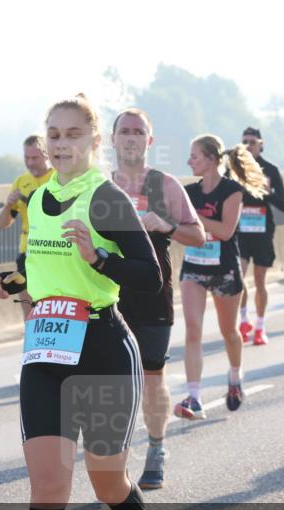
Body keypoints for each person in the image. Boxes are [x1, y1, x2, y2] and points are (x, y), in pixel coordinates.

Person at [0, 94, 164, 510]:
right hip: (47, 348)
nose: (60, 143)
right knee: (47, 487)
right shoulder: (37, 198)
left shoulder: (105, 198)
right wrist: (18, 284)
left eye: (72, 134)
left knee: (106, 481)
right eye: (53, 134)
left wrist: (99, 260)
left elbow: (150, 276)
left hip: (102, 346)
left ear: (93, 141)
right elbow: (41, 266)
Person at [109, 108, 205, 490]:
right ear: (113, 139)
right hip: (107, 294)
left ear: (149, 141)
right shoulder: (99, 186)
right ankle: (115, 461)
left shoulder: (165, 185)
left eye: (138, 131)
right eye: (125, 131)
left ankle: (156, 448)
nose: (131, 137)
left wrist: (166, 224)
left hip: (152, 294)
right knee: (112, 381)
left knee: (152, 376)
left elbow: (198, 235)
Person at [175, 135, 267, 420]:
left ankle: (235, 376)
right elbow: (180, 228)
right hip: (194, 267)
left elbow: (226, 231)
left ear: (211, 159)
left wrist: (195, 220)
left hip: (224, 270)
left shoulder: (232, 191)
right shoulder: (188, 192)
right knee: (193, 330)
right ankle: (194, 397)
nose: (189, 161)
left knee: (229, 332)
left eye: (194, 156)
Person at [237, 127, 284, 345]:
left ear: (261, 145)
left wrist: (268, 192)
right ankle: (243, 320)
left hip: (262, 231)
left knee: (260, 281)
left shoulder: (271, 170)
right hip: (240, 232)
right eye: (244, 142)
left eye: (252, 142)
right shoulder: (235, 168)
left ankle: (260, 326)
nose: (248, 146)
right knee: (238, 277)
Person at [0, 135, 53, 317]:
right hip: (27, 250)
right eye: (26, 158)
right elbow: (3, 223)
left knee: (52, 308)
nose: (30, 163)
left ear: (46, 154)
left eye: (35, 158)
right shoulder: (21, 182)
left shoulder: (57, 178)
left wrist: (27, 199)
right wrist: (8, 205)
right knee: (29, 311)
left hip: (55, 250)